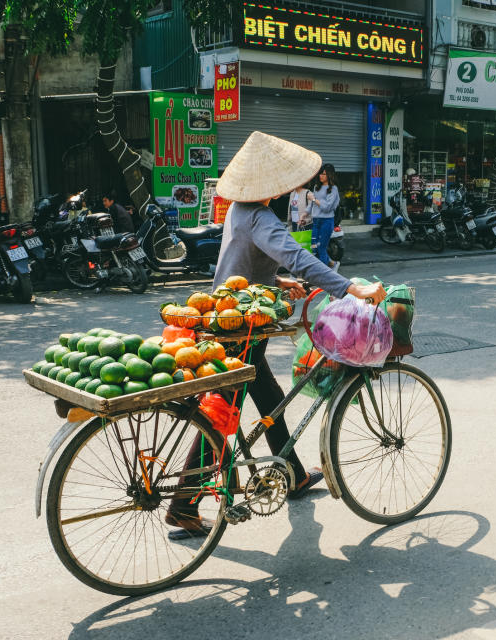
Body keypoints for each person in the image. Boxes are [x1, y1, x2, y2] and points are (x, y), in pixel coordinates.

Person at [165, 131, 386, 537]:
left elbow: (242, 260)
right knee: (221, 413)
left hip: (237, 316)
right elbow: (297, 256)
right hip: (239, 329)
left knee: (268, 395)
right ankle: (183, 505)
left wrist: (277, 282)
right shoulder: (260, 216)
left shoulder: (239, 209)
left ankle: (295, 474)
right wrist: (350, 288)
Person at [308, 163, 340, 268]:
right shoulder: (316, 187)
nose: (321, 176)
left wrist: (314, 199)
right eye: (320, 174)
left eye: (324, 174)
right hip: (316, 221)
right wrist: (305, 215)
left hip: (326, 221)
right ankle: (332, 264)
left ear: (330, 175)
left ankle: (322, 274)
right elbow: (311, 204)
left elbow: (327, 207)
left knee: (321, 247)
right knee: (314, 247)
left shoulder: (333, 189)